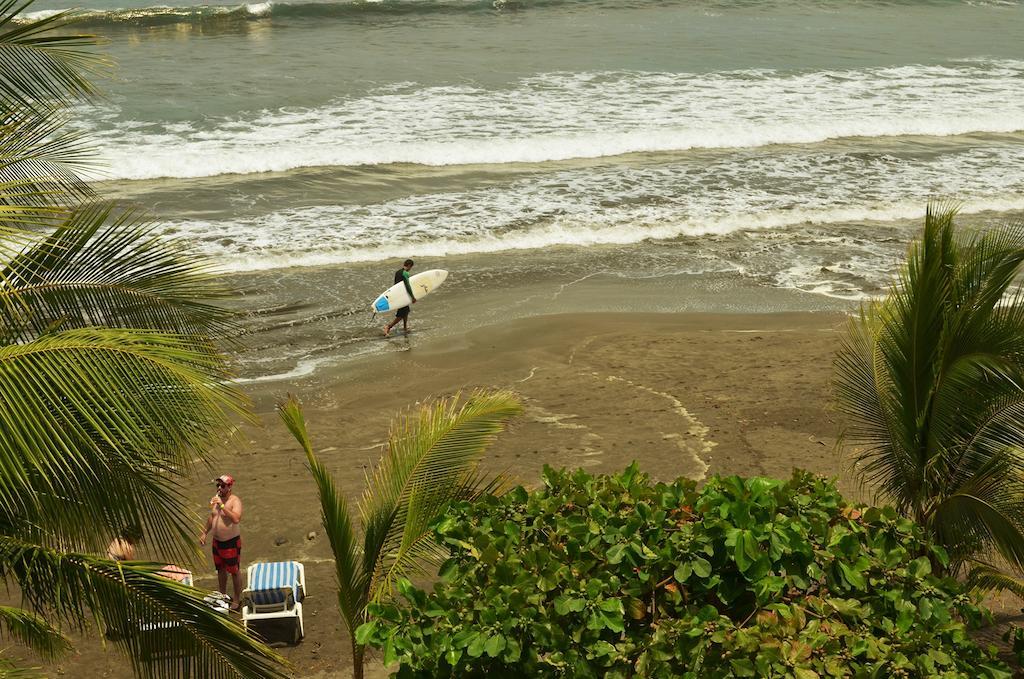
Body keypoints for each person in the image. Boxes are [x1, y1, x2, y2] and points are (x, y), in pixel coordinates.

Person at [199, 474, 243, 610]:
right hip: (217, 542)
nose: (219, 488)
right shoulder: (217, 500)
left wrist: (222, 506)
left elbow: (236, 519)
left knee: (234, 571)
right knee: (220, 570)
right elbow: (212, 517)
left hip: (230, 542)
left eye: (222, 486)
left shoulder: (234, 501)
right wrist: (204, 532)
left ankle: (236, 599)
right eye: (217, 485)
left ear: (229, 487)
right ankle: (222, 594)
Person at [384, 259, 417, 337]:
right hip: (402, 295)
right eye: (411, 267)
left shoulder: (398, 272)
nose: (410, 269)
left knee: (406, 311)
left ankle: (405, 328)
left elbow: (396, 285)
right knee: (401, 314)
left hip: (398, 294)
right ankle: (388, 327)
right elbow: (408, 286)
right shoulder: (405, 273)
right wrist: (412, 297)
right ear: (409, 265)